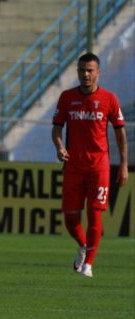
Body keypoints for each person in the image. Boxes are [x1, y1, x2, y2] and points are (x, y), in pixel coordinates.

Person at [51, 52, 128, 277]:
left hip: (99, 167)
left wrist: (123, 164)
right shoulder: (66, 98)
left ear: (98, 72)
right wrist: (59, 146)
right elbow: (57, 127)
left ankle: (88, 266)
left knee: (95, 214)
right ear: (77, 71)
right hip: (74, 166)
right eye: (82, 70)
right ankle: (84, 247)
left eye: (90, 70)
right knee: (70, 217)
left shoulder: (109, 99)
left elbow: (120, 133)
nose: (85, 74)